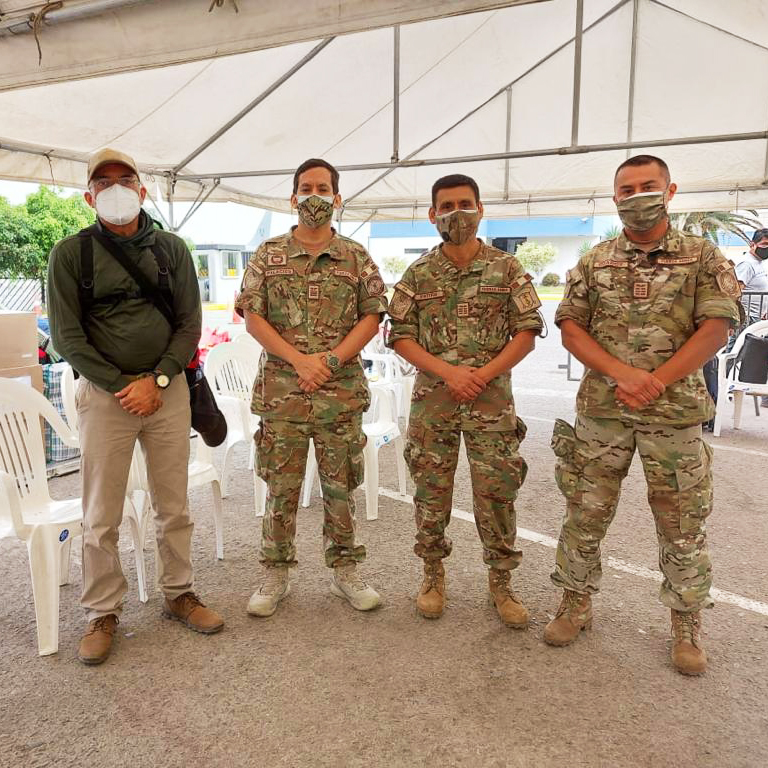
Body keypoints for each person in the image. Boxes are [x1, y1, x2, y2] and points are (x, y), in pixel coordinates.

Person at [544, 154, 741, 676]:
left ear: (670, 191)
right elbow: (571, 327)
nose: (637, 196)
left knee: (681, 523)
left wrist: (655, 379)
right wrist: (621, 374)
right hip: (604, 412)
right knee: (585, 513)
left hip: (672, 412)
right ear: (615, 199)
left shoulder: (703, 257)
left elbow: (716, 327)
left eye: (647, 186)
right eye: (626, 189)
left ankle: (685, 625)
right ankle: (575, 603)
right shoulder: (595, 260)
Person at [47, 148, 224, 665]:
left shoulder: (171, 249)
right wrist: (123, 384)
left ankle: (179, 593)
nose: (116, 188)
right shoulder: (70, 254)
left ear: (143, 190)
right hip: (106, 397)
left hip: (167, 394)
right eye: (104, 182)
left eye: (125, 179)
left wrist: (160, 377)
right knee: (101, 512)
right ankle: (102, 611)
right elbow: (66, 337)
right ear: (89, 196)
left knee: (174, 503)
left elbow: (189, 324)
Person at [388, 174, 543, 626]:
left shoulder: (507, 268)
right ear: (433, 214)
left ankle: (501, 581)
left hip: (491, 404)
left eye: (465, 203)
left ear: (481, 209)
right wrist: (449, 372)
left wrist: (482, 375)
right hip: (433, 402)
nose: (457, 213)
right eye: (447, 206)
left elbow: (528, 331)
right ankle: (432, 574)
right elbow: (400, 335)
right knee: (430, 493)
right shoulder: (418, 273)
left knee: (497, 493)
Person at [235, 158, 387, 616]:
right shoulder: (268, 254)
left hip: (338, 394)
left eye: (323, 188)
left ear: (337, 199)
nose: (314, 195)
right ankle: (275, 572)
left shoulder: (356, 257)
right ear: (293, 197)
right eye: (306, 187)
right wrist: (299, 360)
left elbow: (373, 315)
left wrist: (332, 360)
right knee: (280, 488)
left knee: (340, 486)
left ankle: (346, 569)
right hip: (284, 392)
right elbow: (252, 316)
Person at [735, 228, 768, 325]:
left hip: (757, 316)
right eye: (765, 244)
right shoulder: (747, 264)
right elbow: (736, 290)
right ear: (752, 244)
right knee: (740, 340)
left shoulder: (759, 262)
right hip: (747, 317)